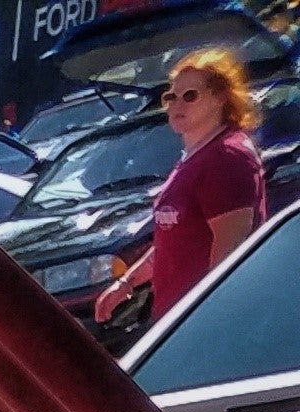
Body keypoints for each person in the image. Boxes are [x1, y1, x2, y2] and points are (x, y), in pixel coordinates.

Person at [108, 50, 268, 330]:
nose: (176, 104)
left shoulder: (226, 157)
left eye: (190, 95)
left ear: (220, 98)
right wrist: (126, 283)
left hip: (207, 327)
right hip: (173, 321)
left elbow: (230, 255)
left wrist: (203, 323)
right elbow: (173, 237)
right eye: (171, 96)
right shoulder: (194, 158)